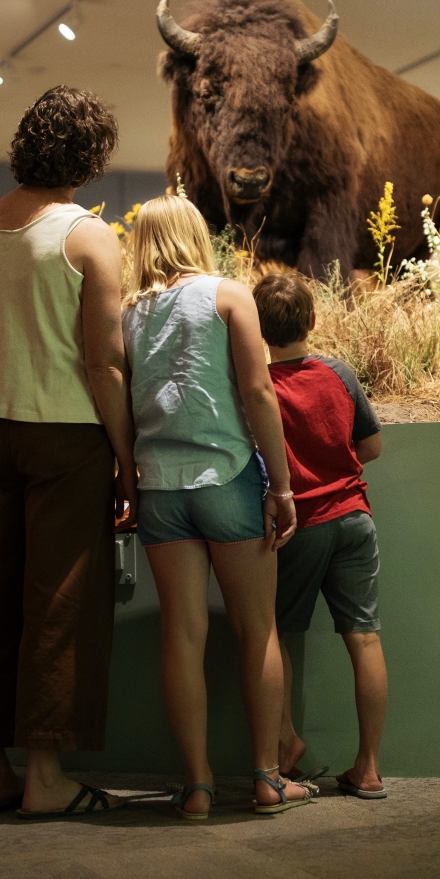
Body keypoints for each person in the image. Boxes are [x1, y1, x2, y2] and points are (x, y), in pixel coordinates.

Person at [0, 87, 135, 819]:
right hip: (65, 436)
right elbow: (105, 364)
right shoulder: (87, 237)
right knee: (58, 603)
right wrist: (125, 456)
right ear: (90, 160)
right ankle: (48, 776)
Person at [122, 195, 315, 820]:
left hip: (158, 486)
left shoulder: (124, 313)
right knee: (256, 629)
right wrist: (282, 487)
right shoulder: (229, 296)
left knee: (182, 633)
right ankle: (265, 778)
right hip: (227, 476)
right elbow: (259, 392)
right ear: (195, 235)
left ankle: (198, 786)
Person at [253, 272, 390, 800]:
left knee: (279, 633)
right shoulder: (339, 373)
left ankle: (284, 742)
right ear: (313, 320)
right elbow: (372, 447)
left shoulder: (260, 386)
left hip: (301, 526)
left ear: (259, 331)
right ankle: (370, 768)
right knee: (365, 637)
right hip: (355, 518)